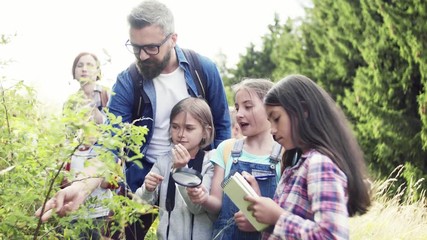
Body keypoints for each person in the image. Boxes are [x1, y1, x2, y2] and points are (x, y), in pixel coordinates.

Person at [108, 0, 231, 193]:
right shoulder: (128, 80)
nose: (142, 56)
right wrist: (86, 182)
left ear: (173, 39)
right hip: (142, 176)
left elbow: (222, 126)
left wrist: (219, 176)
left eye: (151, 47)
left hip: (196, 174)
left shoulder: (203, 70)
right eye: (135, 47)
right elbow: (111, 136)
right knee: (124, 224)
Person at [243, 74, 372, 239]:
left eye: (276, 118)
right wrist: (262, 209)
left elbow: (331, 235)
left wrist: (278, 217)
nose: (273, 130)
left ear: (303, 111)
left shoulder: (319, 164)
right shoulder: (296, 165)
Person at [186, 78, 282, 240]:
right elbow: (217, 205)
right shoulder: (227, 148)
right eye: (237, 108)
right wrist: (203, 198)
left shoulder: (284, 153)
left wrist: (261, 223)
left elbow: (287, 213)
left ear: (270, 108)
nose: (239, 114)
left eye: (248, 106)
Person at [133, 97, 216, 240]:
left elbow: (197, 208)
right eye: (175, 126)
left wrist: (181, 170)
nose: (181, 134)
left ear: (205, 132)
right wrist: (148, 189)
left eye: (189, 128)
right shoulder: (164, 161)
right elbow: (139, 204)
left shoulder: (210, 163)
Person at [60, 52, 115, 239]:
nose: (84, 69)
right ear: (74, 72)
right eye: (80, 65)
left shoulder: (107, 94)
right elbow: (67, 138)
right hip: (77, 163)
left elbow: (115, 131)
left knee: (98, 223)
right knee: (77, 219)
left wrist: (92, 111)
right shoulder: (70, 102)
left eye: (89, 65)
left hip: (101, 164)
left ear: (98, 70)